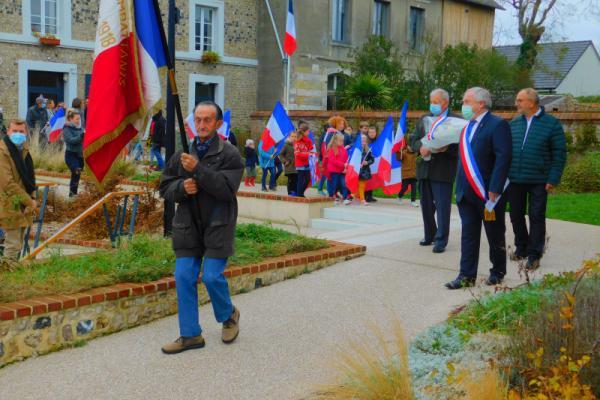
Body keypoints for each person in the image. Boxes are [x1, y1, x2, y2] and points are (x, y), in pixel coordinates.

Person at [159, 101, 243, 354]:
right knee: (183, 275)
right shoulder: (181, 155)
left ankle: (229, 315)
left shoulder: (230, 154)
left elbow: (227, 190)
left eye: (208, 120)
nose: (202, 125)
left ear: (218, 124)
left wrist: (198, 170)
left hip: (218, 223)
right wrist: (181, 188)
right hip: (188, 225)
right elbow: (165, 188)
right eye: (198, 119)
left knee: (211, 276)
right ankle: (190, 335)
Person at [445, 87, 512, 290]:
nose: (463, 105)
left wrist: (496, 187)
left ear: (481, 103)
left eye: (467, 101)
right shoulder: (467, 127)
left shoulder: (497, 124)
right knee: (469, 235)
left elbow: (503, 157)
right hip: (466, 192)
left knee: (494, 234)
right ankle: (466, 276)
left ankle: (498, 271)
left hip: (488, 193)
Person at [508, 88, 567, 271]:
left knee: (536, 216)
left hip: (539, 179)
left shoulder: (551, 124)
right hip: (515, 178)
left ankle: (534, 254)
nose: (516, 103)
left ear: (532, 102)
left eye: (520, 100)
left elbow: (559, 154)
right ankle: (522, 247)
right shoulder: (515, 123)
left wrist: (553, 177)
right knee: (515, 215)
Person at [410, 88, 460, 254]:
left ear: (445, 102)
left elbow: (461, 146)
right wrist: (420, 147)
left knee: (443, 206)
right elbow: (413, 139)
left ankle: (441, 240)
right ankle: (429, 234)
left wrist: (447, 148)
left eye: (436, 102)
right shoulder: (425, 118)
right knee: (426, 206)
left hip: (443, 170)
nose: (432, 105)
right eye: (431, 102)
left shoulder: (456, 120)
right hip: (424, 169)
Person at [0, 119, 37, 260]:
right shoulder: (3, 151)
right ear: (8, 131)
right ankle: (7, 278)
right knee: (12, 245)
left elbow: (30, 178)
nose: (18, 134)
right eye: (14, 131)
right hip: (8, 202)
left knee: (19, 244)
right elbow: (7, 182)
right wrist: (29, 201)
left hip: (22, 204)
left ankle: (12, 274)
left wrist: (32, 198)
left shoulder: (23, 150)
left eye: (21, 131)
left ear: (26, 132)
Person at [62, 109, 85, 197]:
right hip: (71, 155)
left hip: (80, 155)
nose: (78, 121)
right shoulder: (66, 128)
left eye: (79, 119)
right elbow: (71, 140)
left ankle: (73, 193)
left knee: (77, 175)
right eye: (76, 119)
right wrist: (81, 136)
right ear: (70, 119)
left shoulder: (81, 129)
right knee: (76, 170)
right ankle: (72, 194)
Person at [327, 133, 351, 205]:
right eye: (340, 141)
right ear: (335, 140)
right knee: (334, 184)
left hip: (342, 171)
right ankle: (332, 197)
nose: (342, 142)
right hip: (334, 171)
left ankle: (345, 197)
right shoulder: (332, 149)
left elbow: (346, 158)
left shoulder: (343, 148)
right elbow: (333, 161)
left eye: (342, 141)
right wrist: (343, 165)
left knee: (344, 184)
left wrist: (346, 166)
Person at [294, 120, 313, 197]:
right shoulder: (297, 142)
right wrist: (308, 155)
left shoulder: (307, 141)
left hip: (307, 163)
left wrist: (312, 154)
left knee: (308, 179)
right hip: (300, 164)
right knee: (301, 180)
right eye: (308, 131)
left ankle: (301, 193)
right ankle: (299, 194)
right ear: (304, 132)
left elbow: (311, 149)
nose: (309, 133)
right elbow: (298, 154)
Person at [317, 124, 336, 196]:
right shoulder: (324, 136)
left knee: (329, 175)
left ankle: (329, 191)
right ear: (326, 128)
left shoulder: (333, 135)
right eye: (330, 128)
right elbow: (321, 147)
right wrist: (321, 158)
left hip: (331, 157)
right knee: (324, 174)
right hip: (324, 158)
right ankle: (320, 188)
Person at [397, 142, 418, 206]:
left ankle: (413, 201)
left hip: (414, 174)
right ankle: (399, 196)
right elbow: (398, 158)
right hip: (406, 174)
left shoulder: (415, 153)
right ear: (407, 146)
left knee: (414, 188)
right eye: (410, 146)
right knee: (404, 187)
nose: (411, 147)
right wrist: (399, 152)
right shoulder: (404, 153)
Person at [357, 134, 374, 206]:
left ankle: (361, 198)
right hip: (357, 170)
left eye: (364, 140)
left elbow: (372, 160)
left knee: (362, 185)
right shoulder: (356, 149)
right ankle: (357, 197)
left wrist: (367, 162)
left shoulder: (368, 150)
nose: (363, 142)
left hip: (364, 171)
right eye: (362, 140)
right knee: (357, 185)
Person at [280, 131, 298, 196]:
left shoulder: (297, 145)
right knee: (290, 180)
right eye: (292, 136)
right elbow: (281, 154)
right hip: (289, 166)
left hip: (296, 166)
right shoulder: (286, 145)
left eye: (295, 136)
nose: (294, 138)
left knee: (296, 180)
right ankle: (290, 193)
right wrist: (285, 161)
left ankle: (295, 192)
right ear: (289, 137)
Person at [364, 126, 379, 203]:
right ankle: (364, 196)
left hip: (374, 163)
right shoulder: (365, 141)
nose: (372, 134)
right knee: (366, 180)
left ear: (376, 133)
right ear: (368, 133)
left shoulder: (378, 141)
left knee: (372, 180)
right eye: (370, 132)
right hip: (366, 164)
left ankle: (370, 196)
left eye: (373, 132)